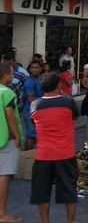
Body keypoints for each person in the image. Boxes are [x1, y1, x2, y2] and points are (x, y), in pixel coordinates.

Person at [30, 72, 79, 223]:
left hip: (43, 156)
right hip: (65, 154)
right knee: (69, 190)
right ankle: (70, 221)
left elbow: (34, 121)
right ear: (59, 85)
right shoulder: (68, 102)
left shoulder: (35, 105)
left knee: (42, 192)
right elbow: (75, 116)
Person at [0, 64, 23, 223]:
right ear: (6, 75)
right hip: (6, 140)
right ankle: (2, 213)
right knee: (4, 175)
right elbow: (10, 116)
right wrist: (17, 136)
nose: (12, 76)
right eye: (11, 73)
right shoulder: (7, 92)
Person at [22, 61, 43, 150]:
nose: (34, 70)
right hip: (30, 112)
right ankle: (26, 156)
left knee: (35, 136)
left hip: (37, 111)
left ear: (41, 69)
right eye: (32, 68)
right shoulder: (29, 82)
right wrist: (47, 99)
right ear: (29, 69)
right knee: (31, 135)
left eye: (36, 67)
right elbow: (30, 99)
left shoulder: (40, 80)